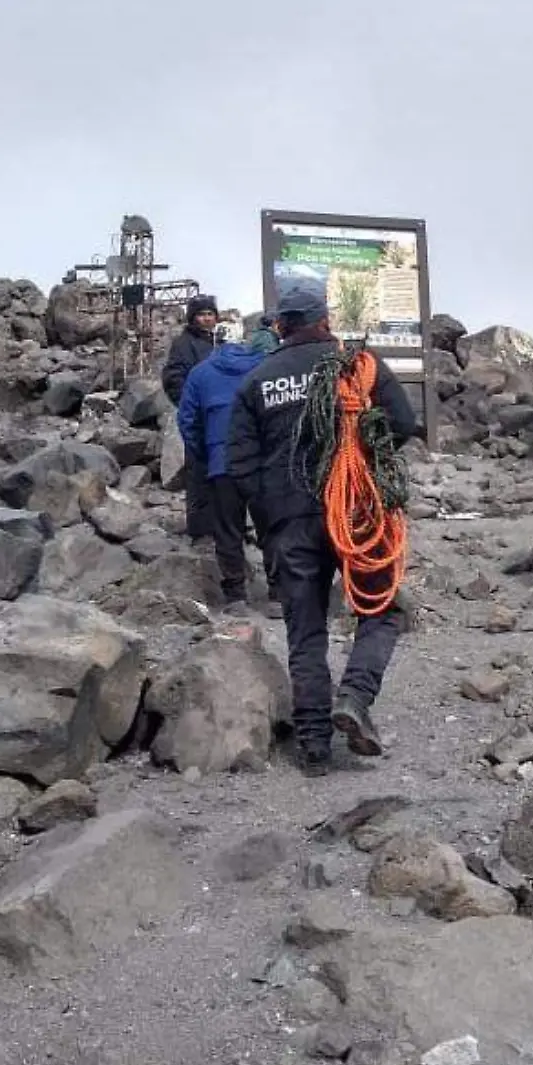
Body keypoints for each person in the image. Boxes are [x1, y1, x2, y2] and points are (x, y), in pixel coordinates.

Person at [226, 291, 419, 776]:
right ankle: (354, 696)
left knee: (304, 628)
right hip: (355, 511)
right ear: (325, 321)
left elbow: (240, 465)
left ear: (282, 327)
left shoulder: (256, 381)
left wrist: (270, 514)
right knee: (384, 607)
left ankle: (314, 745)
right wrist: (366, 462)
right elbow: (402, 422)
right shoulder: (358, 365)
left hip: (289, 522)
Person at [176, 334, 267, 614]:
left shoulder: (200, 373)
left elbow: (187, 419)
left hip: (221, 462)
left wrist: (203, 453)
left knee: (228, 529)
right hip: (261, 461)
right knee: (272, 528)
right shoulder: (265, 367)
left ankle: (236, 595)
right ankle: (278, 594)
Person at [161, 295, 221, 540]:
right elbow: (174, 379)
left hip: (218, 419)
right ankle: (200, 530)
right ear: (192, 317)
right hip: (199, 419)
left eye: (210, 314)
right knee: (198, 474)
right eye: (201, 314)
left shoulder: (216, 342)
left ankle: (219, 526)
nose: (207, 318)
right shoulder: (184, 343)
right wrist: (192, 408)